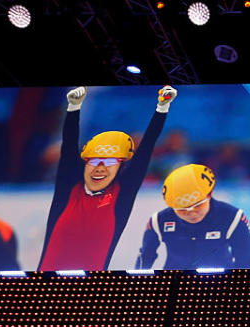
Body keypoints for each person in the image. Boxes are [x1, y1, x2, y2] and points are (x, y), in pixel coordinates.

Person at [38, 85, 177, 271]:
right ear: (85, 165)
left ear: (121, 167)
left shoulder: (122, 196)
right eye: (94, 162)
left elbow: (145, 150)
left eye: (110, 163)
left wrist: (162, 108)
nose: (100, 169)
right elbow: (68, 147)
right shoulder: (67, 191)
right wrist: (73, 108)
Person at [135, 163, 250, 269]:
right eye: (182, 210)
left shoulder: (232, 217)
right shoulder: (159, 221)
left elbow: (244, 260)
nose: (191, 213)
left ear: (209, 194)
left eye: (197, 206)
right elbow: (145, 257)